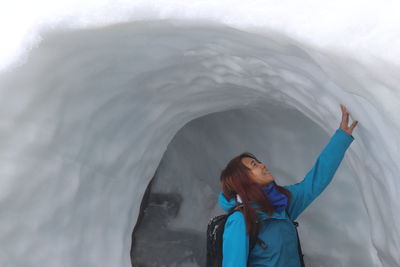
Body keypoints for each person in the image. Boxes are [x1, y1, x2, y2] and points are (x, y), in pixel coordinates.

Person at [218, 104, 358, 267]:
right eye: (254, 165)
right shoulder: (239, 221)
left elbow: (314, 182)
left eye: (258, 162)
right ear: (242, 181)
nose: (262, 165)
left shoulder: (280, 203)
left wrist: (341, 139)